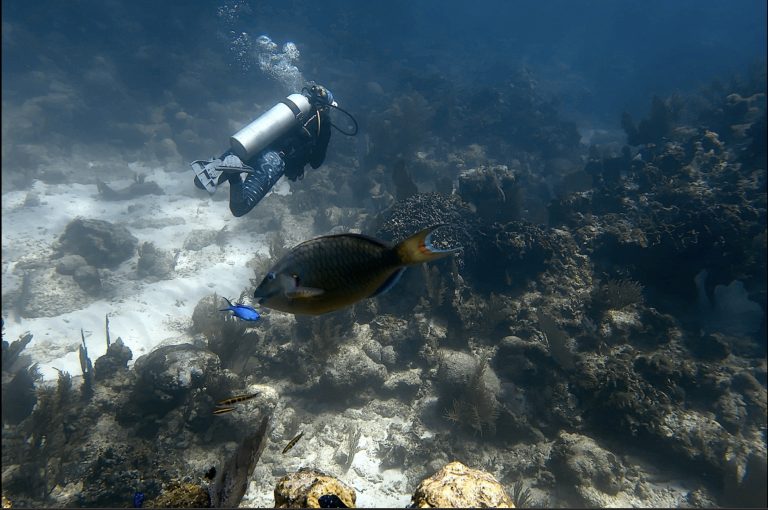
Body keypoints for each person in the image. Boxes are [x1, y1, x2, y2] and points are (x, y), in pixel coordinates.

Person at [192, 82, 355, 217]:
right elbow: (316, 163)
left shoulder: (294, 107)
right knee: (240, 208)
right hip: (274, 160)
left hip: (254, 143)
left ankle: (229, 164)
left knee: (202, 181)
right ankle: (234, 176)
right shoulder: (323, 123)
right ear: (326, 107)